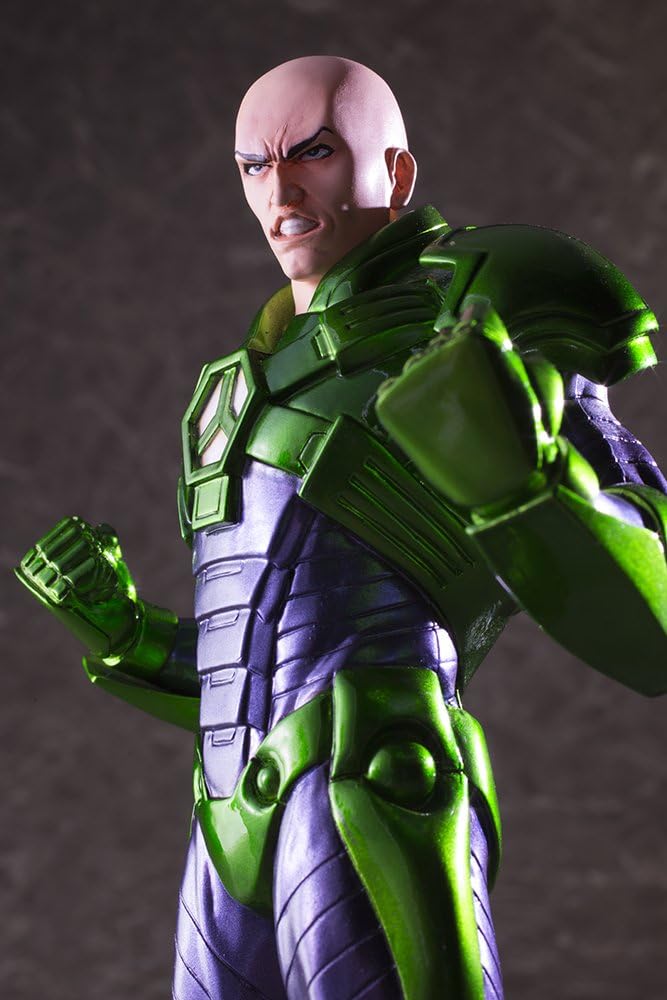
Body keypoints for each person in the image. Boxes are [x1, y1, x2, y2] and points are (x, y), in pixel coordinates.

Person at [16, 56, 667, 1000]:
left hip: (378, 776)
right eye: (254, 164)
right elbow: (256, 670)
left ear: (395, 171)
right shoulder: (230, 397)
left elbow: (655, 620)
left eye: (312, 153)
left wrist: (524, 484)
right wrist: (125, 633)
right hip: (227, 825)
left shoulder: (479, 305)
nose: (279, 191)